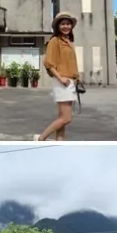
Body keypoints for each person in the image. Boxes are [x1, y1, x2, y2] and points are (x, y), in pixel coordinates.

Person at [34, 11, 80, 141]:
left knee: (62, 118)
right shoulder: (54, 41)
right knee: (66, 118)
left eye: (68, 24)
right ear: (58, 26)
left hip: (70, 82)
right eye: (63, 24)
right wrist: (61, 78)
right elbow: (49, 63)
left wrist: (75, 79)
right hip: (62, 81)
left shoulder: (68, 41)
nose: (66, 26)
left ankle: (60, 142)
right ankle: (40, 138)